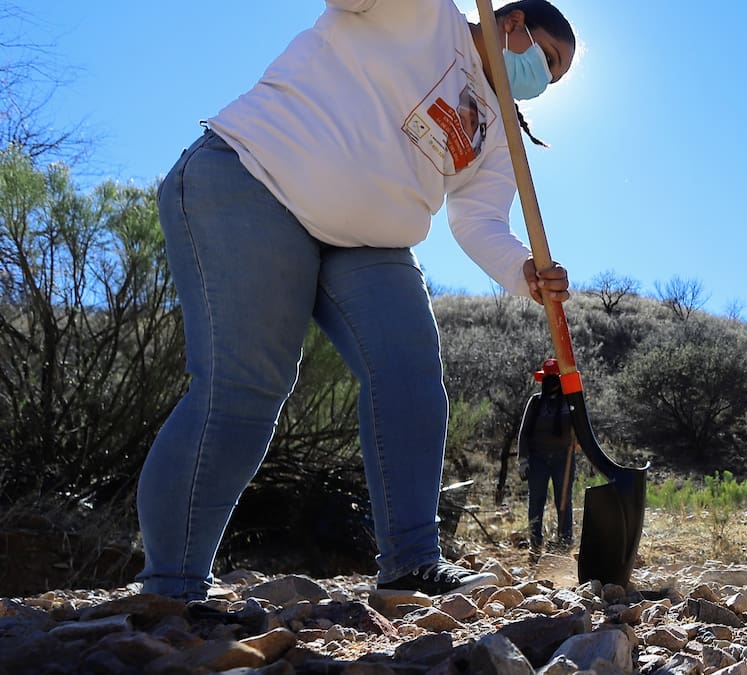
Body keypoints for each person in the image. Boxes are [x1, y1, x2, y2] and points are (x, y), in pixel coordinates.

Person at [136, 0, 577, 601]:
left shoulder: (498, 132)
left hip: (369, 242)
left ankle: (410, 564)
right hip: (253, 180)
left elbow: (478, 219)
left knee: (410, 377)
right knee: (245, 388)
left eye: (556, 78)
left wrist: (522, 268)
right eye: (546, 60)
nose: (545, 81)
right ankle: (173, 588)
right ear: (512, 24)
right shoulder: (424, 11)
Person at [517, 358, 578, 554]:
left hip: (563, 459)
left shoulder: (570, 401)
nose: (551, 382)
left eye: (554, 378)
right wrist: (523, 461)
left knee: (564, 500)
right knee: (536, 500)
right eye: (548, 378)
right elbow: (524, 432)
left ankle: (565, 542)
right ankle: (535, 545)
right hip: (538, 460)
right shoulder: (535, 402)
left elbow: (581, 428)